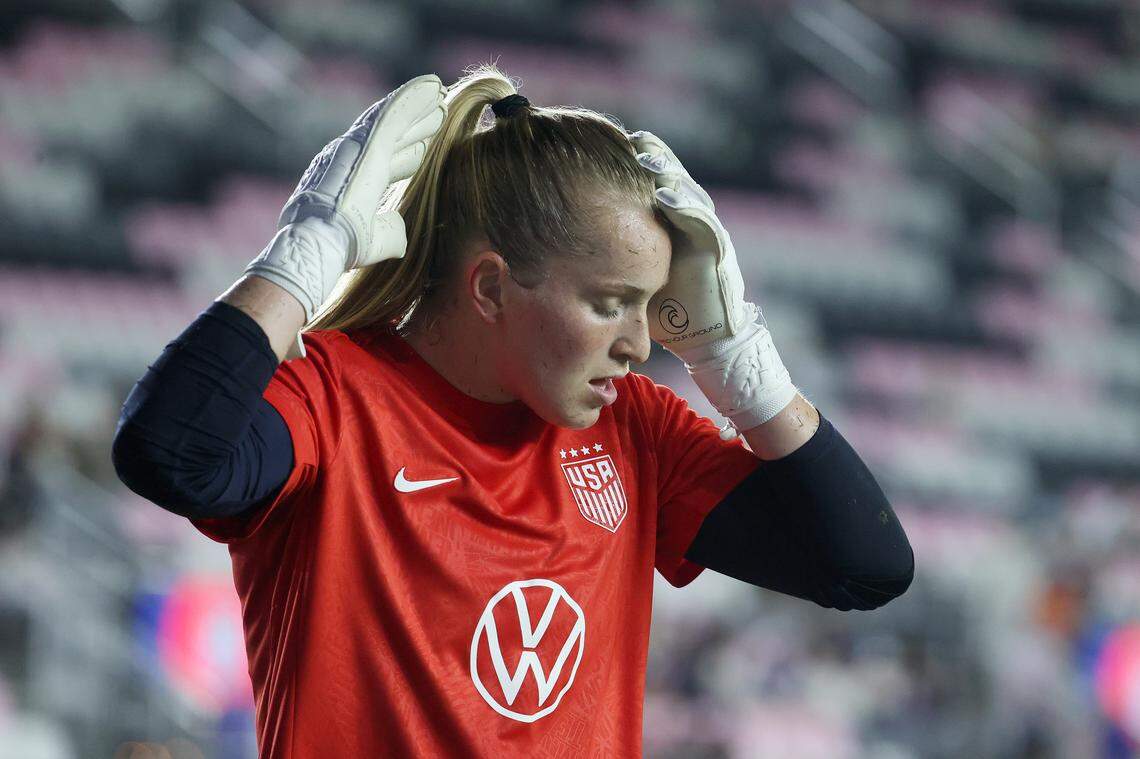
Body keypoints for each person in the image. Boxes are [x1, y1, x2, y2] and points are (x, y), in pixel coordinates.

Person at [112, 66, 914, 757]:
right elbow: (168, 452)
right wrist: (308, 250)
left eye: (652, 306)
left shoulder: (634, 429)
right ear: (492, 286)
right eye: (611, 303)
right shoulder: (335, 397)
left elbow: (864, 568)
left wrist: (740, 359)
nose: (641, 343)